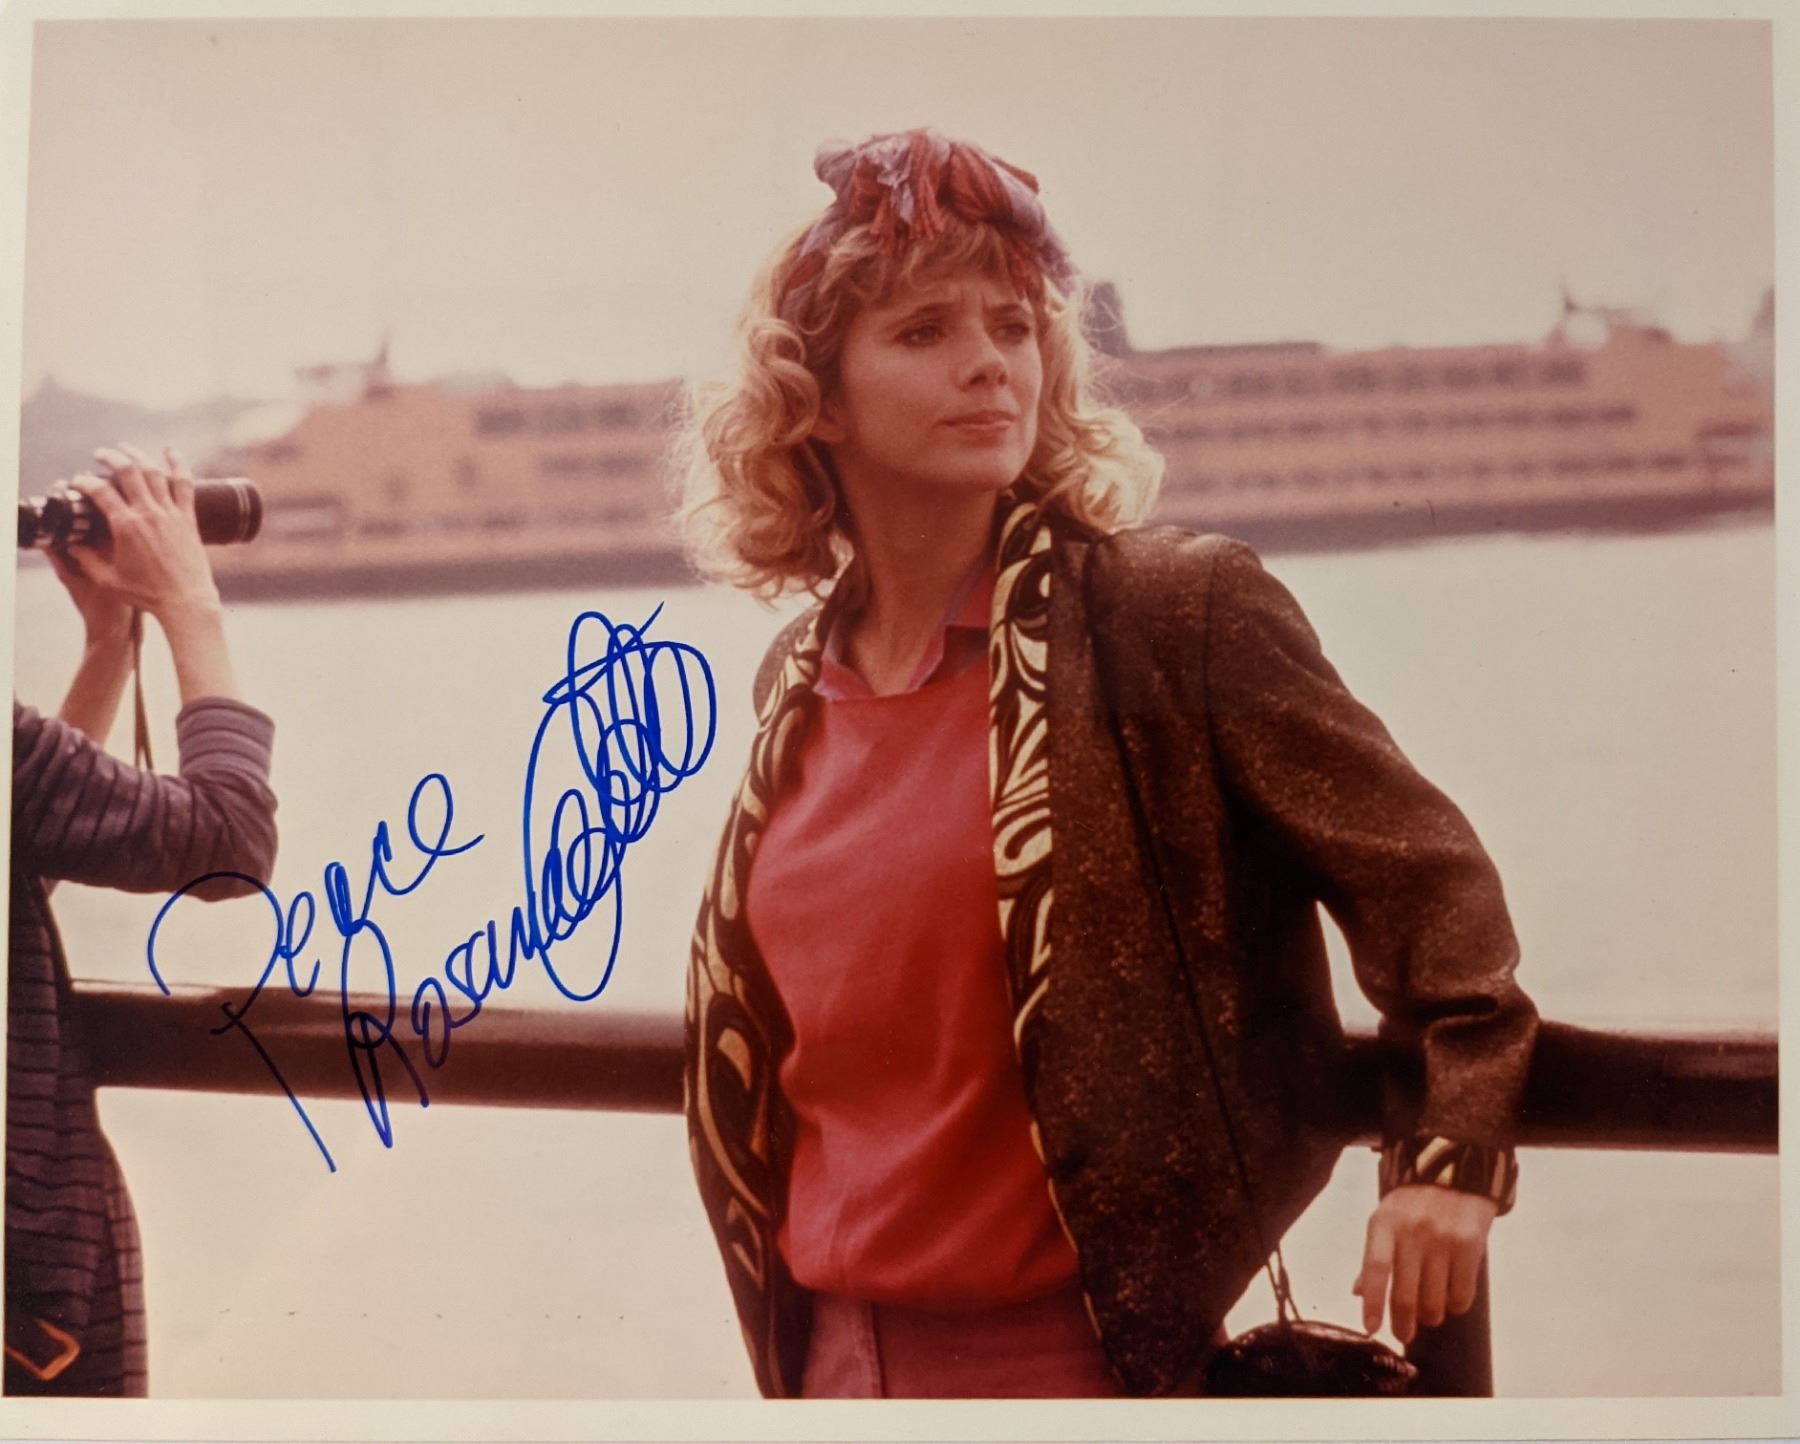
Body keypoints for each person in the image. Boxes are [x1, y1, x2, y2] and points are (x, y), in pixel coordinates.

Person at [676, 128, 1536, 1399]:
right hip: (821, 1363)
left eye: (1014, 326)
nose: (990, 362)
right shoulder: (797, 683)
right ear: (821, 398)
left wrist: (1446, 1159)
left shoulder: (1168, 617)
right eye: (924, 331)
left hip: (1081, 1367)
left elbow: (1433, 891)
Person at [6, 445, 278, 1396]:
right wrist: (188, 605)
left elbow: (19, 857)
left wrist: (106, 644)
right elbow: (229, 844)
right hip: (28, 1314)